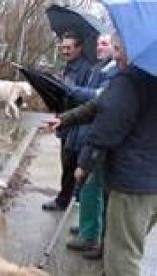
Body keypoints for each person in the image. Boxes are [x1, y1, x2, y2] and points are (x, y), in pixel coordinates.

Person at [47, 33, 157, 276]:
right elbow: (100, 104)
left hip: (133, 185)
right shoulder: (147, 77)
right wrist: (65, 119)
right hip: (150, 184)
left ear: (135, 48)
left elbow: (106, 128)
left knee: (123, 259)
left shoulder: (130, 79)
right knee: (124, 245)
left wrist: (84, 164)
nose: (115, 56)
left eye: (118, 49)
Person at [62, 34, 116, 260]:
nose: (99, 47)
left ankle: (90, 235)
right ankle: (88, 228)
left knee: (93, 188)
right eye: (98, 43)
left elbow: (97, 99)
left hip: (97, 138)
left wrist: (72, 90)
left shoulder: (113, 73)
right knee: (87, 187)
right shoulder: (100, 67)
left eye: (105, 44)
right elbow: (93, 100)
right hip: (87, 132)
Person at [42, 31, 92, 211]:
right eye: (62, 47)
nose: (64, 51)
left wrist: (66, 89)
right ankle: (65, 199)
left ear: (79, 48)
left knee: (73, 164)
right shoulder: (67, 67)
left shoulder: (87, 69)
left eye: (68, 48)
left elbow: (87, 99)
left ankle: (68, 201)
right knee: (66, 162)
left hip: (78, 124)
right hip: (65, 121)